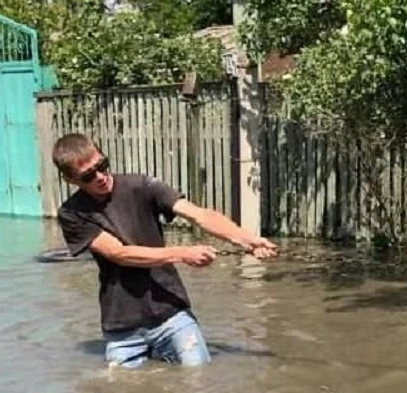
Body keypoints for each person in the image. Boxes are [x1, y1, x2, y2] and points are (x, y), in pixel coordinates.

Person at [51, 133, 278, 369]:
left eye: (102, 165)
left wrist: (248, 240)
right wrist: (181, 254)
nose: (100, 176)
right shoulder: (72, 214)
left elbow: (199, 215)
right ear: (70, 180)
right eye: (88, 175)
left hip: (171, 312)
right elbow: (119, 254)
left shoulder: (141, 185)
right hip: (122, 326)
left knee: (199, 380)